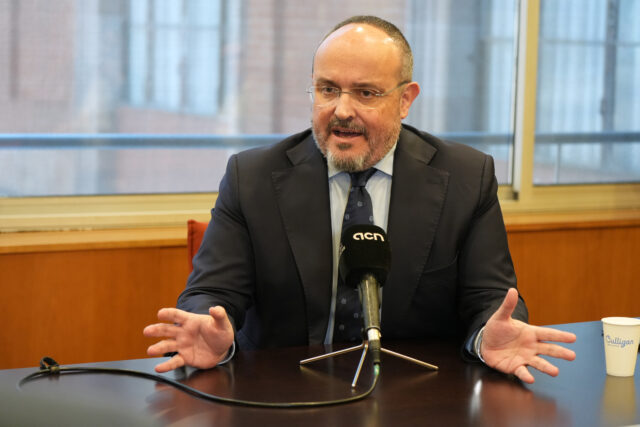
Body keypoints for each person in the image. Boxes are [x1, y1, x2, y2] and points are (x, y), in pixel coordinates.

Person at [144, 16, 576, 384]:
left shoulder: (465, 177)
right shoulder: (252, 177)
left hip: (416, 394)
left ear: (405, 100)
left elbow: (491, 299)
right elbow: (212, 294)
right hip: (281, 392)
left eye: (366, 93)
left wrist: (487, 337)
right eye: (328, 89)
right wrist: (212, 335)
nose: (342, 110)